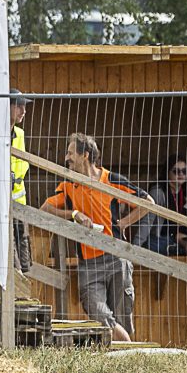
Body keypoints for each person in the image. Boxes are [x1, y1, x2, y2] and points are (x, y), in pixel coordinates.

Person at [41, 132, 144, 341]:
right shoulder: (68, 183)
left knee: (121, 317)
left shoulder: (111, 180)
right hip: (88, 264)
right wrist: (73, 214)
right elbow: (45, 209)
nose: (67, 158)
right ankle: (130, 347)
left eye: (71, 153)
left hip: (117, 258)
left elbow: (147, 202)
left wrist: (124, 223)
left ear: (85, 155)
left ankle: (124, 356)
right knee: (98, 313)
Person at [9, 91, 32, 273]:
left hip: (19, 201)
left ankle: (23, 278)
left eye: (24, 106)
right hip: (0, 203)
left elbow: (23, 165)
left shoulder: (20, 134)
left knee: (22, 246)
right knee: (9, 247)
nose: (23, 110)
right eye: (18, 106)